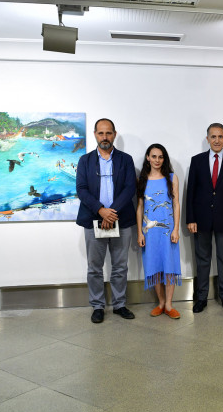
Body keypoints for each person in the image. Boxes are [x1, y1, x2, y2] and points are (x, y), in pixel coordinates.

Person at [76, 118, 137, 323]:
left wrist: (112, 212)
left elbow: (130, 188)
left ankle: (120, 304)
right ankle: (98, 306)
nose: (105, 137)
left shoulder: (125, 160)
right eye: (101, 133)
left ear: (114, 134)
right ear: (95, 134)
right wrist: (101, 211)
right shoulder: (85, 161)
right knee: (95, 267)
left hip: (122, 219)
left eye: (108, 133)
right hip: (94, 219)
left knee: (120, 266)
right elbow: (81, 190)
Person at [186, 123, 223, 313]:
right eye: (213, 137)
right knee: (202, 259)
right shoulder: (197, 161)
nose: (217, 140)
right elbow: (190, 192)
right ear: (207, 138)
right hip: (200, 219)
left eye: (220, 136)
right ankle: (201, 298)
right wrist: (190, 218)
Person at [136, 143, 182, 319]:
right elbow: (140, 207)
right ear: (148, 157)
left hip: (168, 230)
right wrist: (140, 232)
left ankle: (169, 305)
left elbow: (176, 204)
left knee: (169, 266)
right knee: (154, 265)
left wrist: (176, 229)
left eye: (160, 157)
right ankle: (161, 303)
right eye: (153, 156)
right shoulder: (143, 180)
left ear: (164, 159)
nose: (157, 160)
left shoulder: (172, 178)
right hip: (150, 232)